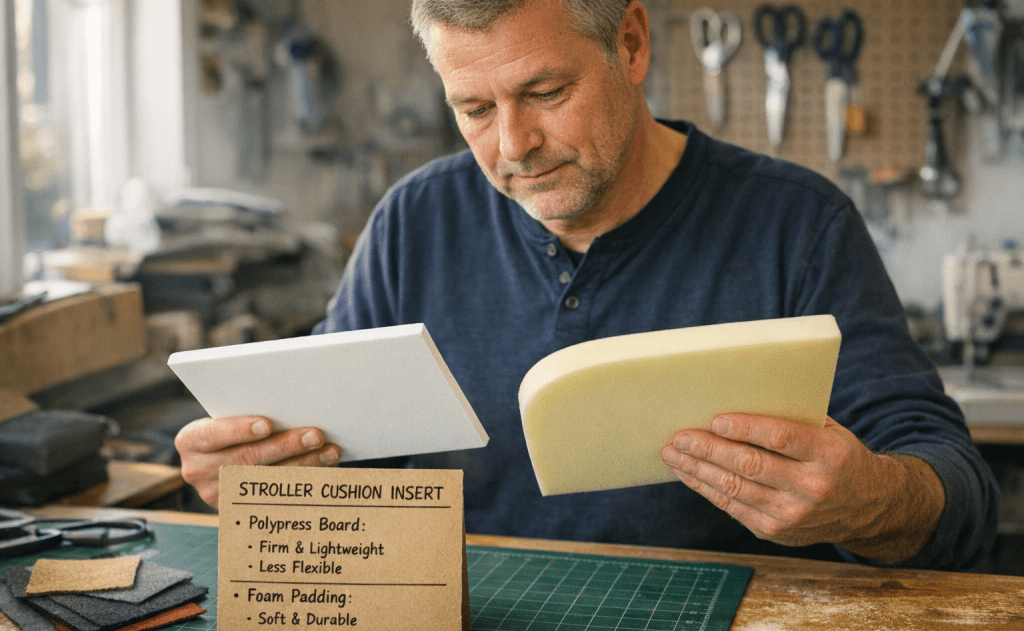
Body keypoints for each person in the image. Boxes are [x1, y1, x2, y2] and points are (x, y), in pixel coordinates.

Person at [175, 0, 999, 570]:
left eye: (546, 92)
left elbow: (960, 494)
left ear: (632, 44)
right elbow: (333, 463)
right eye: (473, 109)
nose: (513, 146)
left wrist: (870, 501)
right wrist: (264, 479)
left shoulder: (797, 225)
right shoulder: (412, 221)